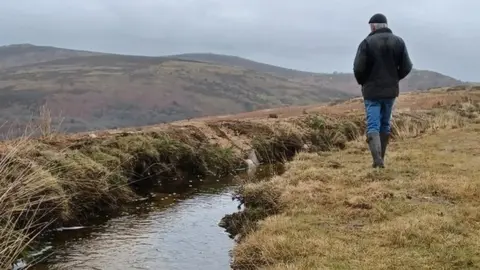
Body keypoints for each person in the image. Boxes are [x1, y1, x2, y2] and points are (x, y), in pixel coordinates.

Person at [353, 13, 413, 168]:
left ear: (373, 26)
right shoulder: (399, 42)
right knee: (385, 124)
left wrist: (364, 82)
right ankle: (381, 159)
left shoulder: (366, 42)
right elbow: (407, 66)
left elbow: (358, 68)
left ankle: (377, 160)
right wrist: (394, 78)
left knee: (373, 124)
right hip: (390, 91)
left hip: (372, 91)